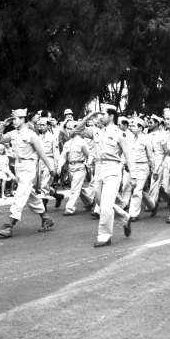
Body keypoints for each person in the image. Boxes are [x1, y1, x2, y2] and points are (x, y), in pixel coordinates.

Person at [73, 105, 135, 247]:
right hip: (99, 167)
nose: (100, 117)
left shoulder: (120, 133)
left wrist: (133, 176)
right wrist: (89, 116)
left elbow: (128, 155)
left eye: (103, 114)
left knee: (106, 204)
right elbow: (77, 131)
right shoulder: (96, 131)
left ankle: (104, 236)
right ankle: (125, 217)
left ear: (112, 116)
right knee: (100, 201)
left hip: (113, 167)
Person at [0, 109, 56, 238]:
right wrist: (3, 126)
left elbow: (41, 153)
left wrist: (50, 167)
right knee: (29, 195)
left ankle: (10, 225)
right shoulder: (13, 133)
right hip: (18, 167)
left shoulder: (31, 134)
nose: (13, 121)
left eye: (15, 119)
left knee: (20, 195)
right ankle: (46, 219)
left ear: (22, 119)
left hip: (29, 166)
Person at [125, 117, 155, 221]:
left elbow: (151, 156)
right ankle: (152, 205)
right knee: (136, 189)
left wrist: (153, 169)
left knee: (137, 190)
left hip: (142, 166)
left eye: (133, 126)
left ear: (141, 128)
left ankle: (133, 214)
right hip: (132, 167)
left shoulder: (146, 139)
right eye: (130, 125)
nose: (130, 127)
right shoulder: (130, 138)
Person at [58, 120, 91, 216]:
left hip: (80, 167)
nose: (68, 131)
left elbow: (89, 154)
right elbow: (63, 156)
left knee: (74, 189)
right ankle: (89, 202)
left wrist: (89, 164)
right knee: (78, 188)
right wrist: (59, 166)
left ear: (76, 129)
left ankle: (69, 208)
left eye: (70, 128)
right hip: (71, 167)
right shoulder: (67, 143)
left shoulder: (82, 142)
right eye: (67, 128)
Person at [36, 117, 60, 209]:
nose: (41, 127)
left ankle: (44, 205)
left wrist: (56, 166)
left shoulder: (52, 137)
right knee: (40, 185)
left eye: (43, 125)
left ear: (48, 126)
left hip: (49, 160)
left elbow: (56, 152)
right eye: (40, 125)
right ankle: (57, 196)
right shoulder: (39, 137)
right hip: (40, 161)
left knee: (44, 183)